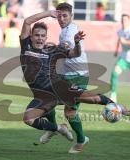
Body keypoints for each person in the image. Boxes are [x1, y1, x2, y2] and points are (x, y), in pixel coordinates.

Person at [20, 10, 130, 152]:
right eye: (36, 35)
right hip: (43, 96)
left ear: (46, 37)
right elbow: (27, 21)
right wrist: (48, 13)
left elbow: (75, 54)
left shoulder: (51, 49)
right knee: (28, 119)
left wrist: (77, 43)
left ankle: (117, 107)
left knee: (91, 98)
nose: (39, 38)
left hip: (59, 88)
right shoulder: (26, 46)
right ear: (31, 36)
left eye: (42, 36)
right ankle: (59, 128)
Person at [39, 2, 90, 154]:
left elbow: (67, 46)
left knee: (70, 113)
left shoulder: (71, 30)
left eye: (65, 16)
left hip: (78, 77)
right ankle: (54, 128)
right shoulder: (64, 31)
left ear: (71, 16)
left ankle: (82, 140)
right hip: (66, 75)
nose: (61, 19)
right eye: (59, 16)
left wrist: (50, 48)